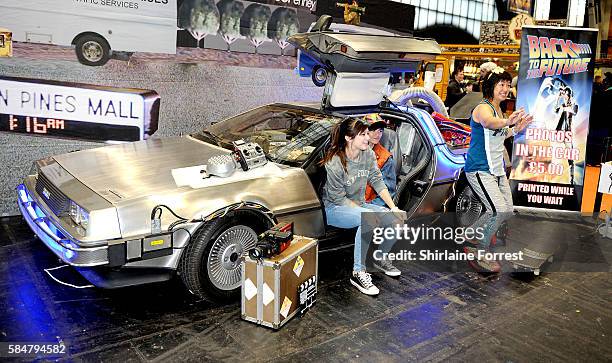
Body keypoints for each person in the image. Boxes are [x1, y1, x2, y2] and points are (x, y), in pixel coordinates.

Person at [321, 117, 403, 295]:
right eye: (363, 134)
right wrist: (366, 212)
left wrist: (392, 207)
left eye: (367, 133)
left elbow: (377, 181)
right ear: (349, 138)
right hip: (335, 209)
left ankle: (380, 259)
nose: (368, 138)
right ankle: (358, 272)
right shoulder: (334, 162)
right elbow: (338, 198)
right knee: (368, 219)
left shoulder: (368, 154)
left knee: (398, 219)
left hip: (359, 204)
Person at [463, 66, 533, 272]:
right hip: (480, 168)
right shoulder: (483, 108)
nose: (505, 88)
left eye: (507, 85)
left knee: (506, 211)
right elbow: (489, 123)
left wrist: (514, 129)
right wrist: (506, 121)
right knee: (498, 210)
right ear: (490, 87)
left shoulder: (499, 108)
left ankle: (470, 234)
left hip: (496, 170)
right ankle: (478, 250)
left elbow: (498, 134)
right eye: (501, 85)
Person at [363, 114, 396, 206]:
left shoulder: (385, 159)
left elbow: (386, 194)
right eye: (373, 130)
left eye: (380, 131)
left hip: (368, 206)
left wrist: (364, 211)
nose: (377, 134)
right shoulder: (352, 150)